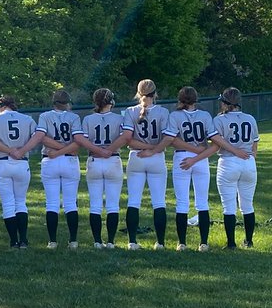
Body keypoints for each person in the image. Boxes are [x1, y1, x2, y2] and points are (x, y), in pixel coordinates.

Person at [161, 86, 217, 251]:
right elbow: (213, 140)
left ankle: (182, 243)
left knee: (182, 203)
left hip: (182, 158)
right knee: (202, 202)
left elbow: (172, 140)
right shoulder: (205, 115)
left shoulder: (175, 115)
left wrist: (192, 152)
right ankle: (204, 243)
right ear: (196, 99)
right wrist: (198, 151)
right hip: (200, 159)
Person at [121, 79, 171, 250]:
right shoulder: (163, 111)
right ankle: (161, 243)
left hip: (136, 156)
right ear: (155, 94)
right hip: (156, 157)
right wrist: (153, 149)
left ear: (138, 93)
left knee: (133, 201)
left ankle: (132, 242)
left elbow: (128, 139)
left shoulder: (130, 111)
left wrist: (147, 148)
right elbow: (167, 138)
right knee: (159, 202)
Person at [0, 94, 37, 248]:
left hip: (1, 162)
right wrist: (21, 151)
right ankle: (24, 240)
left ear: (1, 106)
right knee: (20, 202)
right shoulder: (27, 119)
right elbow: (37, 137)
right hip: (21, 162)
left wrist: (8, 150)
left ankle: (13, 241)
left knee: (8, 203)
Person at [35, 89, 85, 249]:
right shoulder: (74, 117)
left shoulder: (44, 116)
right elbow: (78, 141)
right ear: (67, 103)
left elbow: (42, 137)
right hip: (69, 160)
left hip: (50, 160)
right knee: (71, 203)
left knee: (52, 203)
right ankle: (73, 240)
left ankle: (52, 241)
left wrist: (56, 152)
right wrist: (65, 149)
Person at [210, 88, 259, 248]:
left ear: (224, 102)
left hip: (228, 162)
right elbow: (255, 144)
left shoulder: (219, 120)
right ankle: (249, 241)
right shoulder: (250, 118)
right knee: (247, 204)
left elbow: (216, 144)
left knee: (229, 205)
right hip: (248, 161)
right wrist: (249, 158)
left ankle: (231, 243)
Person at [81, 88, 127, 249]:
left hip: (94, 159)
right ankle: (111, 241)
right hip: (112, 159)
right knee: (113, 205)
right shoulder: (119, 118)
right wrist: (108, 150)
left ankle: (97, 241)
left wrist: (98, 150)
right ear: (111, 101)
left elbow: (82, 140)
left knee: (95, 204)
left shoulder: (88, 119)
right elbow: (125, 137)